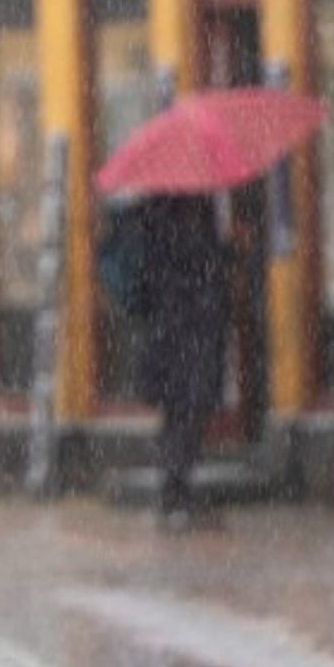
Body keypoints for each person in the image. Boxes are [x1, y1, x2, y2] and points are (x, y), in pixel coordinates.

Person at [108, 193, 230, 531]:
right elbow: (197, 267)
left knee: (180, 409)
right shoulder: (186, 214)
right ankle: (175, 490)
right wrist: (225, 253)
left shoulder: (151, 211)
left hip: (167, 329)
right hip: (187, 328)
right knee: (189, 407)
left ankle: (175, 489)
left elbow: (150, 278)